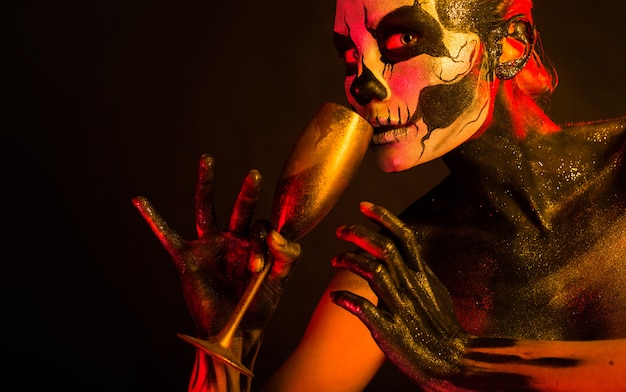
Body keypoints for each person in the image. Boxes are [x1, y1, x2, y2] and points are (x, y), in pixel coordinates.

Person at [133, 0, 626, 390]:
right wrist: (229, 345)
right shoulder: (393, 271)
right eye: (351, 55)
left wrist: (465, 363)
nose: (362, 84)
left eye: (403, 38)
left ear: (509, 46)